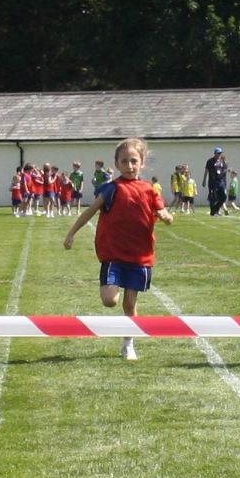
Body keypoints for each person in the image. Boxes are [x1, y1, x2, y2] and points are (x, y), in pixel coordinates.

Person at [64, 135, 168, 361]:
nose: (129, 166)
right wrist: (72, 233)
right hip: (114, 256)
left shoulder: (150, 190)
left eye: (134, 161)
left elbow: (163, 211)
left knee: (130, 304)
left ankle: (128, 343)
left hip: (140, 257)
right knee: (109, 300)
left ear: (142, 162)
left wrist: (167, 216)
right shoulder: (112, 188)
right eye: (124, 162)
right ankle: (124, 330)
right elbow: (90, 211)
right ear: (117, 164)